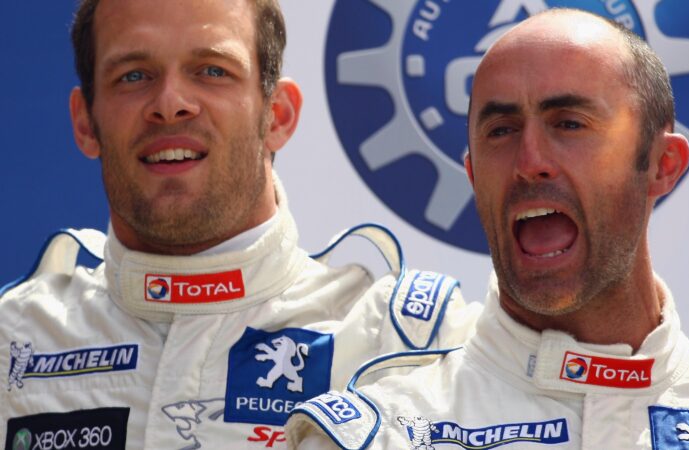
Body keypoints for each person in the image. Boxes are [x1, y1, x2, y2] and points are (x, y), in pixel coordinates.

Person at [286, 9, 689, 449]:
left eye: (569, 124)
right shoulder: (380, 434)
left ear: (662, 164)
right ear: (473, 175)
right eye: (502, 131)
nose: (530, 161)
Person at [0, 0, 481, 448]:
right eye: (133, 75)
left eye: (212, 71)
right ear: (85, 123)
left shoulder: (404, 345)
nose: (170, 103)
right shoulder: (13, 340)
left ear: (278, 115)